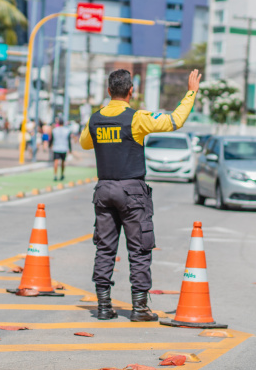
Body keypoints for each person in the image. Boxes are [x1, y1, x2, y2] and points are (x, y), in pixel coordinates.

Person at [80, 69, 202, 321]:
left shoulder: (94, 119)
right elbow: (175, 121)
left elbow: (85, 143)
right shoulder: (136, 118)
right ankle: (139, 307)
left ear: (108, 90)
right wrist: (191, 93)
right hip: (132, 191)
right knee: (139, 249)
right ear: (131, 91)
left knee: (104, 248)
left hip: (104, 190)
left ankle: (103, 306)